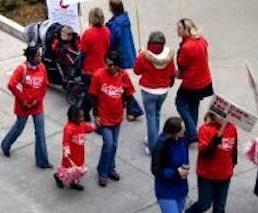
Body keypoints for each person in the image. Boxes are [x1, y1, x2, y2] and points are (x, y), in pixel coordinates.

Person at [1, 44, 51, 169]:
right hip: (23, 106)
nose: (40, 58)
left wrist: (38, 101)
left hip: (37, 106)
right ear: (30, 57)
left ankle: (42, 161)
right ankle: (5, 146)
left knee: (40, 132)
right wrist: (23, 100)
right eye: (38, 56)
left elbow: (44, 86)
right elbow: (11, 85)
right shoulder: (21, 69)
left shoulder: (42, 68)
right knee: (19, 127)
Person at [89, 52, 135, 186]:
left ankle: (111, 168)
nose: (111, 67)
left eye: (113, 65)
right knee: (108, 144)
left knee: (114, 145)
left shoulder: (124, 76)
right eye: (108, 64)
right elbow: (93, 96)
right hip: (104, 118)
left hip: (117, 117)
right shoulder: (99, 75)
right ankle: (102, 172)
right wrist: (96, 114)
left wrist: (130, 112)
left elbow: (129, 95)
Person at [186, 107, 238, 213]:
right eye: (221, 114)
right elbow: (205, 153)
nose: (224, 117)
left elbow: (233, 149)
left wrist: (232, 165)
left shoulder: (232, 128)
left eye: (226, 115)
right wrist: (220, 133)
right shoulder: (205, 129)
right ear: (213, 115)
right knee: (204, 204)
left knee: (219, 208)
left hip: (225, 175)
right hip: (207, 175)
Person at [135, 30, 176, 153]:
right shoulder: (168, 56)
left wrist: (139, 56)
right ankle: (154, 139)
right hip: (163, 90)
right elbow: (172, 72)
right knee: (157, 115)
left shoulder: (144, 56)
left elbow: (137, 71)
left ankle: (153, 147)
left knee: (151, 118)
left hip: (148, 91)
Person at [175, 18, 213, 143]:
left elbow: (181, 63)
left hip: (192, 82)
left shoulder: (187, 47)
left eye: (180, 28)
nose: (177, 30)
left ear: (187, 30)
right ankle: (191, 130)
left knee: (180, 102)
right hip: (204, 80)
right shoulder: (201, 40)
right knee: (193, 105)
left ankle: (192, 131)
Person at [106, 0, 143, 121]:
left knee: (120, 82)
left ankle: (134, 108)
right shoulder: (123, 20)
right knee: (121, 80)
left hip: (118, 55)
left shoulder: (116, 24)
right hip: (125, 53)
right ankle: (130, 107)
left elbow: (111, 40)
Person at [153, 116, 192, 213]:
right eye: (182, 129)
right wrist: (175, 172)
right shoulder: (161, 145)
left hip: (181, 188)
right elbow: (156, 169)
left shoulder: (183, 140)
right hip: (166, 190)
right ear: (175, 132)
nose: (185, 130)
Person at [55, 105, 94, 191]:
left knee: (77, 170)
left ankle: (74, 183)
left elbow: (89, 128)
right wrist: (66, 149)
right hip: (70, 156)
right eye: (81, 117)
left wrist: (95, 126)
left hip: (79, 154)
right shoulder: (69, 128)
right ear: (73, 117)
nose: (83, 118)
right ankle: (58, 176)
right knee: (67, 171)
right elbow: (66, 140)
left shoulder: (82, 125)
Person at [81, 7, 112, 81]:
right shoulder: (107, 31)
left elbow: (83, 53)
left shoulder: (88, 33)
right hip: (104, 68)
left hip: (90, 70)